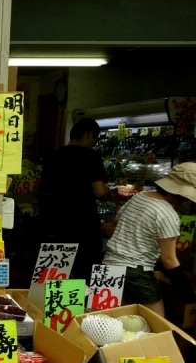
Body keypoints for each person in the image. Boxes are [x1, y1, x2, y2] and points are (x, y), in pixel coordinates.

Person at [102, 162, 196, 316]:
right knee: (156, 325)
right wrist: (187, 296)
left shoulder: (140, 196)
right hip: (136, 273)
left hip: (108, 265)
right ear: (182, 195)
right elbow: (169, 259)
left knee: (108, 322)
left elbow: (117, 223)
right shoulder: (167, 214)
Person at [38, 117, 111, 280]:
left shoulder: (53, 156)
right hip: (83, 225)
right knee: (84, 272)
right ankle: (80, 304)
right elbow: (99, 191)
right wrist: (109, 192)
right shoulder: (91, 156)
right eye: (95, 139)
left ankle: (56, 303)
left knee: (56, 271)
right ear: (89, 135)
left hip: (54, 223)